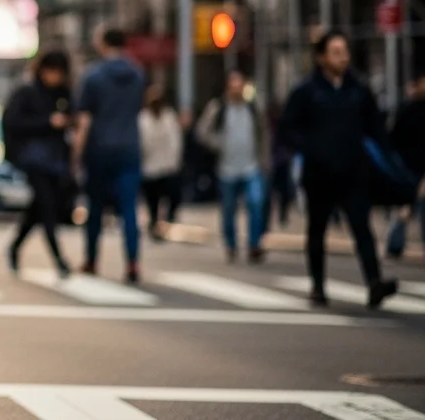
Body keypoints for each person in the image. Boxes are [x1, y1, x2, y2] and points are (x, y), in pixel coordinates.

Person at [277, 30, 397, 308]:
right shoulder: (306, 91)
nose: (343, 57)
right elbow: (287, 129)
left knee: (362, 228)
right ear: (321, 58)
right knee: (317, 230)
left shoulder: (358, 89)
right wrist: (309, 148)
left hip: (353, 172)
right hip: (319, 174)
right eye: (336, 52)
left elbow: (375, 128)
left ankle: (374, 282)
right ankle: (318, 285)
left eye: (345, 51)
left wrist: (388, 161)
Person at [73, 27, 147, 284]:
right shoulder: (137, 74)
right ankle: (133, 262)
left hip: (100, 149)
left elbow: (85, 120)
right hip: (129, 147)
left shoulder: (93, 76)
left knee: (95, 208)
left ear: (103, 44)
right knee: (129, 210)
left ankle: (92, 259)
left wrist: (76, 154)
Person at [3, 50, 74, 277]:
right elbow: (13, 123)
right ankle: (59, 260)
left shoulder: (63, 94)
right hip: (33, 160)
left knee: (39, 208)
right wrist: (47, 122)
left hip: (56, 161)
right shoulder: (26, 92)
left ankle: (15, 246)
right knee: (46, 206)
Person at [195, 70, 272, 263]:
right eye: (233, 86)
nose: (237, 90)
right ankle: (231, 244)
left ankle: (255, 244)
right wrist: (217, 143)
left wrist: (265, 160)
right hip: (227, 168)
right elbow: (202, 132)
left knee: (256, 204)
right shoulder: (218, 108)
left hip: (251, 166)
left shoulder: (253, 108)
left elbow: (264, 134)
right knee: (229, 209)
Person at [387, 67, 425, 260]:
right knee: (406, 208)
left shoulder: (407, 108)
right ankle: (394, 244)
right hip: (409, 166)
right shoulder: (408, 109)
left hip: (411, 166)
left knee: (408, 208)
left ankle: (394, 244)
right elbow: (394, 138)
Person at [138, 85, 182, 243]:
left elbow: (175, 141)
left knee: (171, 196)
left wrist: (174, 161)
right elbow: (141, 143)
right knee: (153, 200)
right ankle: (154, 224)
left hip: (167, 165)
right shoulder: (142, 119)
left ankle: (166, 221)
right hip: (149, 167)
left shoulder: (169, 117)